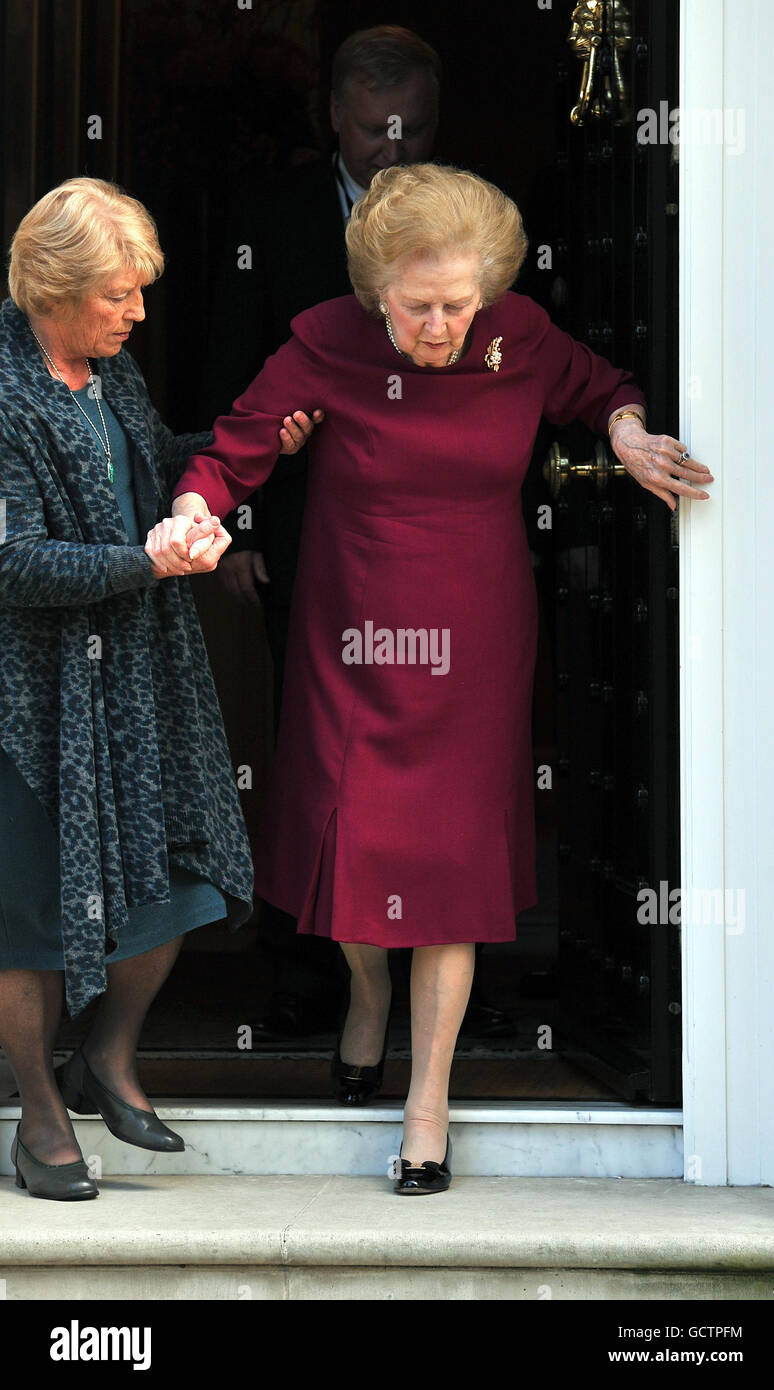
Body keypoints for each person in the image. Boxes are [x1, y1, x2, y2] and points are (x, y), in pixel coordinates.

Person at [173, 163, 713, 1195]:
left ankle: (427, 1104)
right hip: (354, 625)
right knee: (355, 838)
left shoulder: (517, 335)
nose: (440, 327)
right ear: (376, 293)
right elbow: (233, 451)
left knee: (448, 869)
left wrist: (629, 434)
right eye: (418, 307)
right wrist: (199, 510)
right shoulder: (323, 342)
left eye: (459, 304)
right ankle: (365, 992)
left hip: (475, 627)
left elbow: (605, 387)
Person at [0, 177, 306, 1201]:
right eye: (118, 294)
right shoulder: (5, 395)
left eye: (140, 291)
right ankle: (41, 1120)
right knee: (32, 920)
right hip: (31, 703)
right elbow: (14, 565)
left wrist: (228, 464)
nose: (137, 312)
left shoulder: (108, 372)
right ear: (55, 288)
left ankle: (107, 1056)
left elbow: (152, 466)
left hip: (138, 680)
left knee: (186, 873)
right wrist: (151, 562)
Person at [206, 25, 443, 1042]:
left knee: (432, 758)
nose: (391, 147)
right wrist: (241, 521)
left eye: (413, 128)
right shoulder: (269, 216)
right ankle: (308, 973)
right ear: (330, 118)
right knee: (315, 754)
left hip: (444, 537)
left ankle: (426, 967)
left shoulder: (471, 215)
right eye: (369, 128)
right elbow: (230, 372)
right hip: (305, 530)